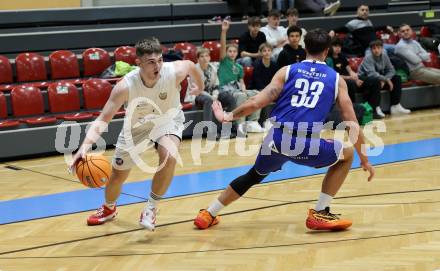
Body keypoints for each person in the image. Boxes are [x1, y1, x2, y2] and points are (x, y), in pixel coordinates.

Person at [194, 28, 375, 231]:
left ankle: (209, 213)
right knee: (348, 154)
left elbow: (255, 102)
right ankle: (321, 213)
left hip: (276, 138)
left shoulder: (287, 71)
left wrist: (227, 116)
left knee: (253, 175)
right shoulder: (336, 80)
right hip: (304, 144)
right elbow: (351, 121)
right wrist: (365, 159)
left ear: (305, 47)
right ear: (326, 52)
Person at [69, 37, 204, 231]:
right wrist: (83, 148)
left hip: (167, 120)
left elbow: (191, 65)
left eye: (159, 60)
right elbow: (103, 119)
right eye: (151, 62)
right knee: (117, 176)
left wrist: (200, 86)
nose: (157, 66)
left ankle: (151, 208)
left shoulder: (173, 72)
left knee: (170, 156)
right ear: (138, 63)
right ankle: (109, 208)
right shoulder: (125, 86)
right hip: (136, 128)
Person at [218, 19, 264, 133]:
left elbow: (242, 81)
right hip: (225, 90)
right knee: (241, 96)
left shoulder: (239, 67)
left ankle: (253, 122)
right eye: (230, 51)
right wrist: (224, 31)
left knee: (257, 94)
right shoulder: (224, 62)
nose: (232, 53)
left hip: (237, 88)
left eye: (234, 51)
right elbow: (223, 46)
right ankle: (240, 124)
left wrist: (244, 90)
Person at [358, 39, 411, 118]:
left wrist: (385, 79)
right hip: (364, 78)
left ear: (382, 48)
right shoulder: (368, 58)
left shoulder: (384, 55)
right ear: (371, 50)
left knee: (397, 78)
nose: (376, 50)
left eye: (378, 48)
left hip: (379, 77)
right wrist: (386, 79)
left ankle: (395, 106)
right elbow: (371, 74)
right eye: (374, 48)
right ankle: (376, 108)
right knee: (375, 81)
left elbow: (391, 70)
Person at [195, 47, 237, 138]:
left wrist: (215, 94)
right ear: (198, 59)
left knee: (230, 98)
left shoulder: (213, 68)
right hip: (197, 95)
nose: (205, 58)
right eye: (202, 56)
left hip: (212, 94)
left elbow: (216, 85)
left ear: (209, 57)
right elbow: (197, 89)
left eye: (207, 56)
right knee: (208, 100)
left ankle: (228, 129)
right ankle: (210, 132)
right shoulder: (194, 70)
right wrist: (211, 96)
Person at [326, 38, 362, 102]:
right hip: (338, 79)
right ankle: (353, 104)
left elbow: (350, 70)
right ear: (330, 47)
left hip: (348, 77)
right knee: (351, 83)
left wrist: (356, 78)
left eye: (339, 46)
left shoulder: (342, 56)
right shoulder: (328, 59)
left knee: (369, 80)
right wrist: (350, 78)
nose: (338, 48)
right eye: (335, 46)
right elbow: (334, 76)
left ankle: (371, 106)